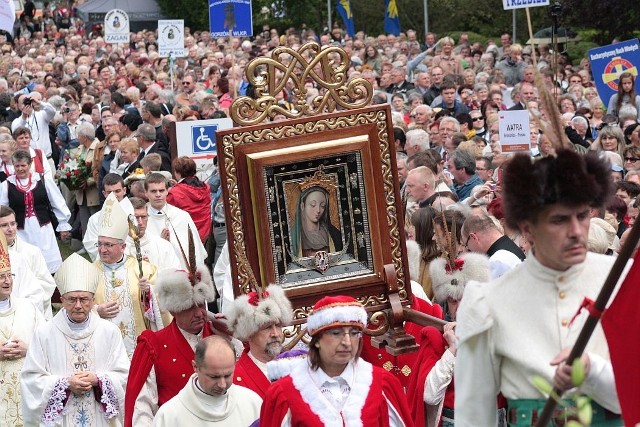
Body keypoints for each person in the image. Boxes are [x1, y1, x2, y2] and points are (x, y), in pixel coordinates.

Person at [455, 150, 622, 425]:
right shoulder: (487, 301)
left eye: (582, 215)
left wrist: (593, 371)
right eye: (559, 220)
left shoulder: (621, 281)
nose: (577, 231)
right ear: (528, 229)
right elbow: (474, 415)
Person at [261, 295, 414, 426]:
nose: (347, 342)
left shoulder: (382, 384)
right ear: (317, 340)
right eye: (336, 333)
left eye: (354, 333)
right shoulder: (284, 394)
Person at [20, 253, 130, 426]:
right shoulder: (44, 334)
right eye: (72, 299)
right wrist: (64, 383)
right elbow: (30, 380)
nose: (78, 305)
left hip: (99, 418)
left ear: (93, 300)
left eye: (84, 299)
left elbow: (124, 375)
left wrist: (98, 380)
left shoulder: (109, 332)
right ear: (62, 300)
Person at [124, 264, 218, 426]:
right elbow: (142, 406)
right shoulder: (153, 345)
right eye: (189, 308)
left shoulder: (221, 336)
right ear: (173, 310)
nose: (198, 313)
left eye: (201, 305)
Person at [406, 251, 492, 427]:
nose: (460, 307)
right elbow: (429, 395)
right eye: (453, 301)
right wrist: (452, 351)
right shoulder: (437, 338)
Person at [93, 192, 170, 357]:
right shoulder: (89, 272)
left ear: (122, 246)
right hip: (102, 350)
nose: (102, 249)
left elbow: (163, 307)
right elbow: (74, 307)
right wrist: (95, 311)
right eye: (99, 244)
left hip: (138, 348)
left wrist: (149, 292)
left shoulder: (144, 270)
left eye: (108, 245)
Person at [153, 336, 262, 426]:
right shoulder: (169, 417)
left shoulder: (252, 403)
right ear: (195, 367)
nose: (222, 384)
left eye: (228, 375)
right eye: (214, 377)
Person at [0, 229, 45, 427]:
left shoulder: (29, 308)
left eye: (9, 275)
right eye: (1, 276)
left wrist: (29, 349)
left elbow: (48, 344)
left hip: (29, 396)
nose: (7, 281)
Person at [0, 149, 71, 273]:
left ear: (30, 164)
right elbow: (3, 209)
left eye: (23, 165)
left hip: (43, 229)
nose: (20, 169)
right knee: (25, 265)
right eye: (17, 166)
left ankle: (53, 288)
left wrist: (63, 223)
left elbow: (57, 201)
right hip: (21, 232)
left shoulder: (42, 180)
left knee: (48, 266)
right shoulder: (6, 185)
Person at [226, 284, 293, 398]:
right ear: (249, 334)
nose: (276, 334)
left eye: (278, 325)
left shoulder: (295, 363)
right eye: (267, 328)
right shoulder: (235, 376)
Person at [0, 205, 55, 318]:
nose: (10, 229)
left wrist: (19, 299)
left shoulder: (31, 252)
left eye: (13, 223)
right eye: (4, 225)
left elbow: (47, 284)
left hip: (27, 312)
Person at [144, 172, 208, 268]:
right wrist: (161, 243)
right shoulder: (141, 219)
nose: (158, 195)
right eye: (153, 191)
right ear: (146, 193)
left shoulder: (181, 216)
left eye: (161, 191)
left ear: (167, 191)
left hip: (181, 274)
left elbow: (195, 252)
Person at [461, 213, 525, 278]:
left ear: (474, 237)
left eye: (467, 245)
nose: (469, 250)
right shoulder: (509, 245)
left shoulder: (496, 262)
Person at [290, 182, 343, 258]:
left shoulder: (334, 234)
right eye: (313, 205)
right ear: (302, 206)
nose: (318, 210)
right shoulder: (293, 236)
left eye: (322, 206)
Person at [166, 156, 211, 242]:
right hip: (205, 233)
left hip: (186, 235)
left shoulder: (174, 193)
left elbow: (167, 213)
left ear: (177, 172)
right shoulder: (206, 187)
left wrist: (176, 188)